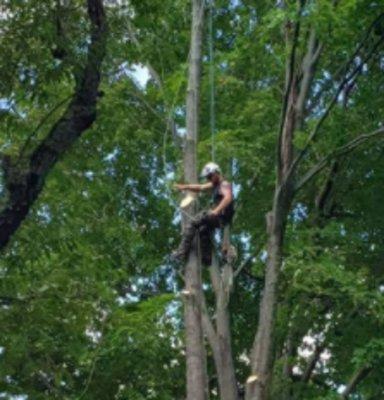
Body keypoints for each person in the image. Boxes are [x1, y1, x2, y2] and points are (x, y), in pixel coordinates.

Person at [172, 162, 235, 266]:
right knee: (203, 229)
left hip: (220, 216)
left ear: (216, 173)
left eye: (210, 176)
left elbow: (228, 198)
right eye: (207, 177)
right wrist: (185, 187)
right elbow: (200, 188)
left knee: (194, 222)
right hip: (220, 219)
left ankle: (181, 253)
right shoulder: (215, 184)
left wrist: (216, 210)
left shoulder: (224, 184)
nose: (209, 179)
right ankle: (206, 259)